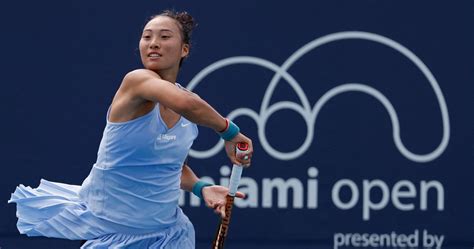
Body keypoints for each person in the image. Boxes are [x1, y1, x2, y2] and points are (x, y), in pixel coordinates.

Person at [8, 10, 253, 248]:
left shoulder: (192, 109)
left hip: (167, 235)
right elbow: (184, 103)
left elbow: (170, 166)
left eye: (164, 37)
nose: (153, 43)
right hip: (115, 235)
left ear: (184, 49)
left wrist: (201, 187)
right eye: (147, 37)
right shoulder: (137, 81)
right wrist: (230, 133)